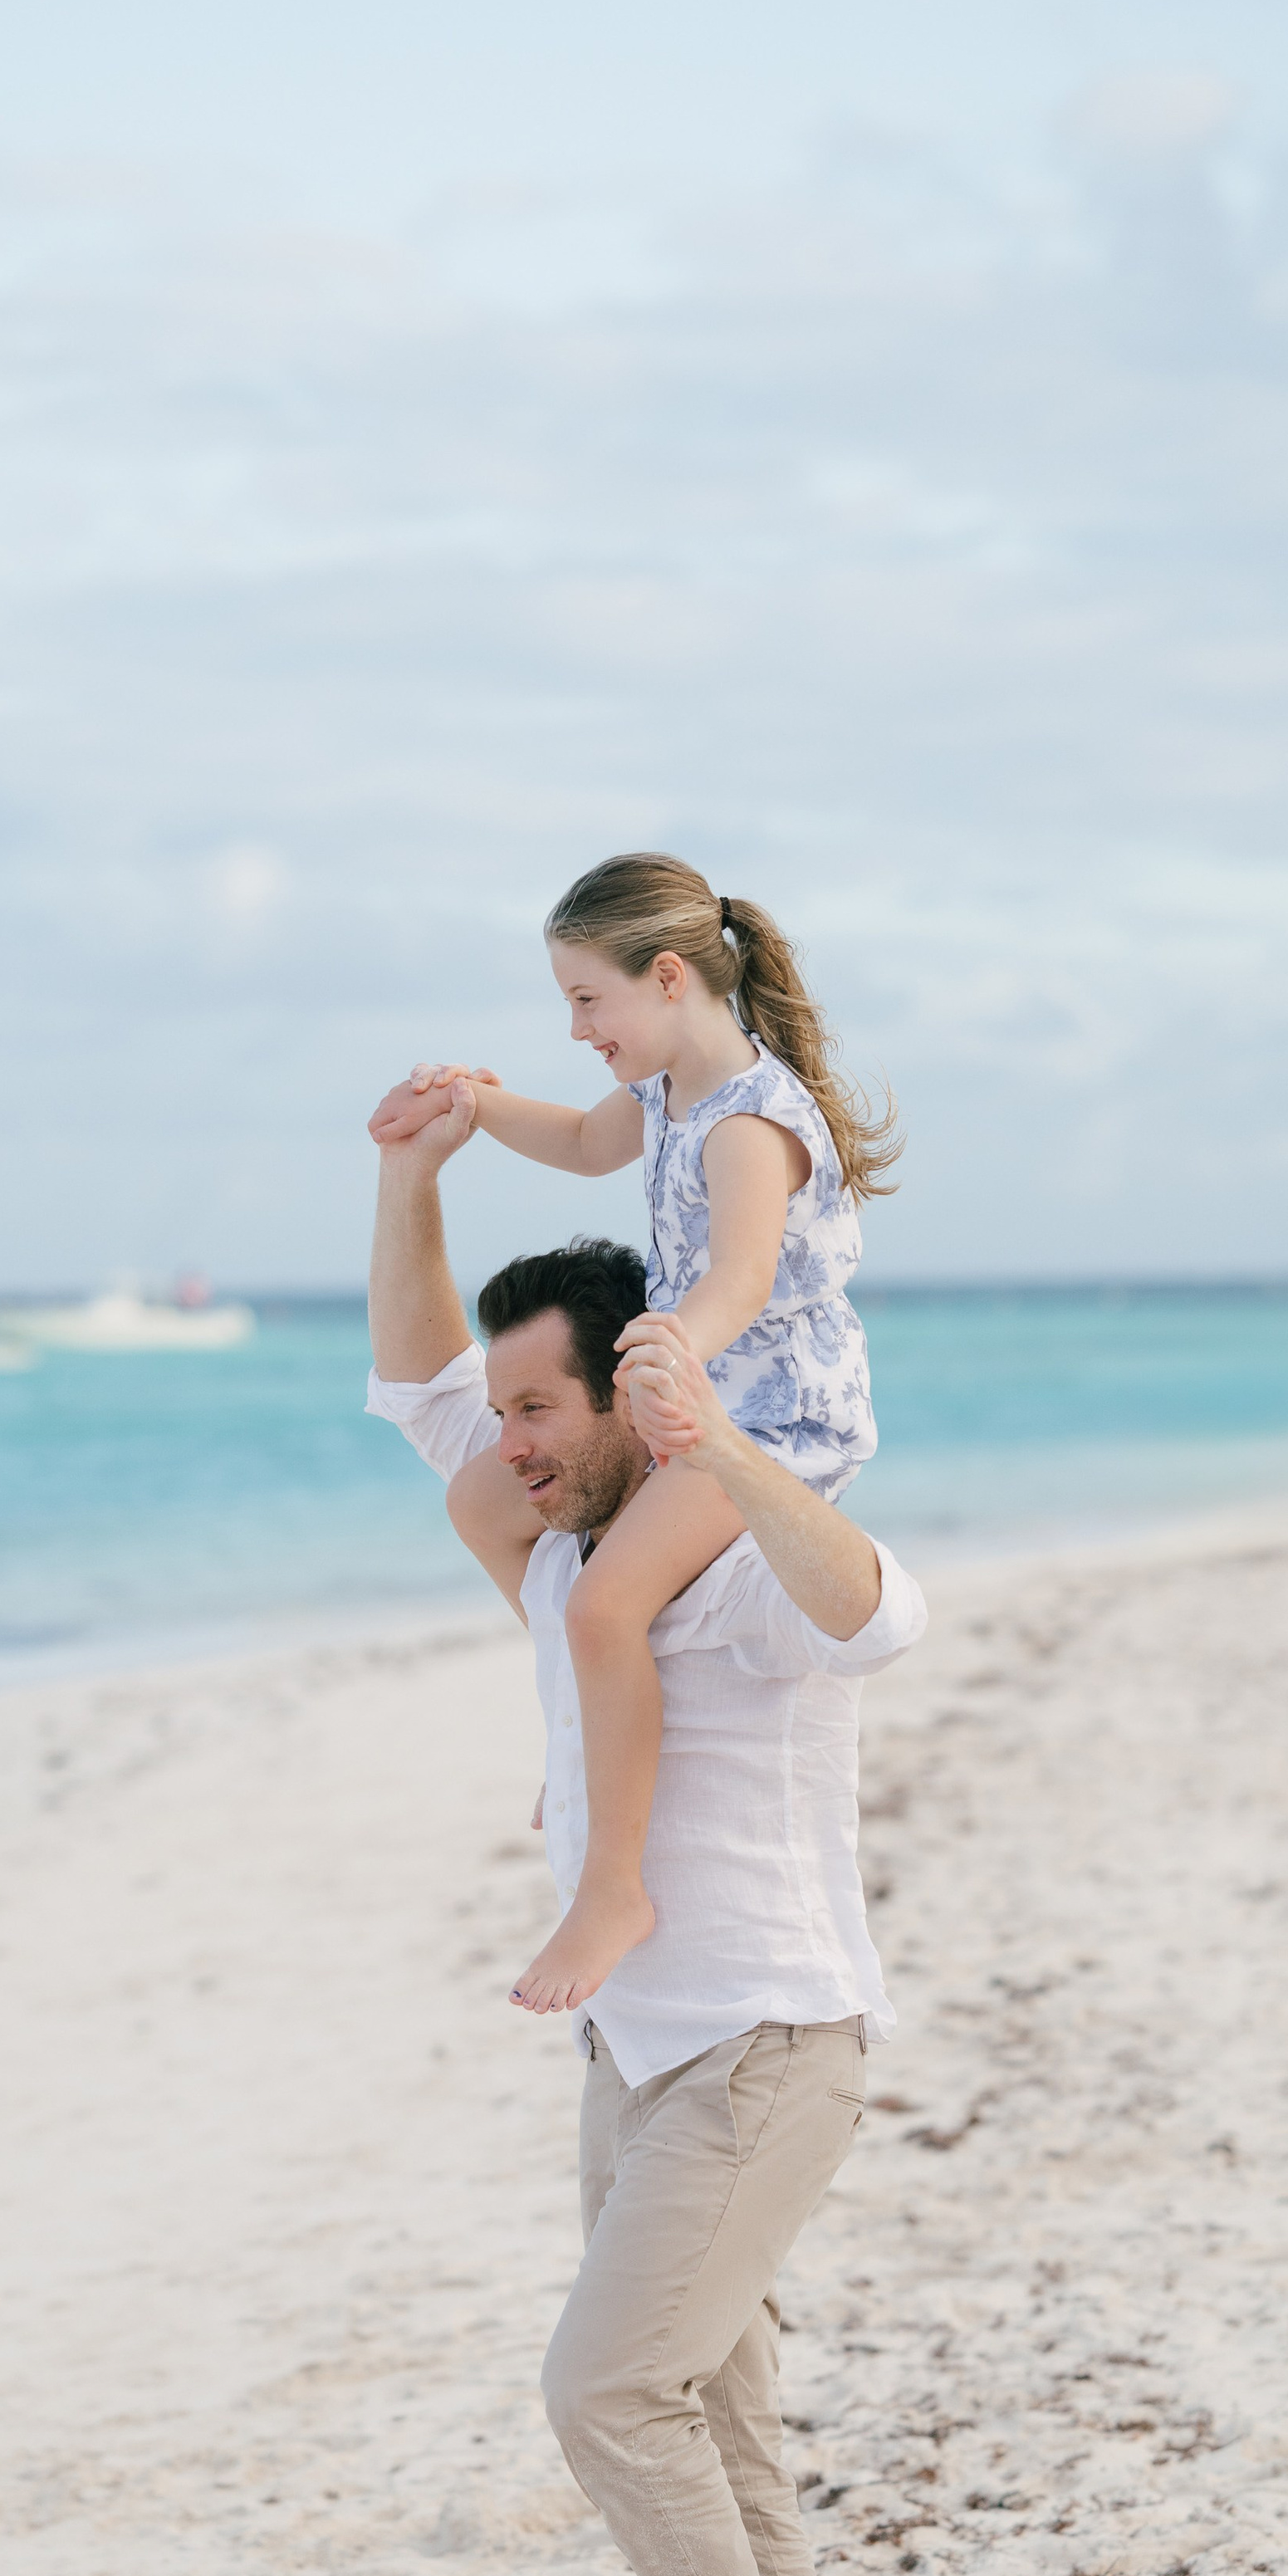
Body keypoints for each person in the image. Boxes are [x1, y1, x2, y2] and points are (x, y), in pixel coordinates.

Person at [364, 1070, 926, 2576]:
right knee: (720, 2426)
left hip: (769, 2045)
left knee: (604, 2393)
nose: (508, 1436)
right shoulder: (561, 1574)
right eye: (508, 1405)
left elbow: (880, 1609)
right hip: (639, 2059)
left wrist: (729, 1445)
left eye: (543, 1405)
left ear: (626, 1393)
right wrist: (410, 1185)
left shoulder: (720, 1580)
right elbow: (418, 1390)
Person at [370, 851, 897, 2022]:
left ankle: (614, 1885)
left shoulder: (752, 1122)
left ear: (667, 978)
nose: (576, 1028)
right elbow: (575, 1144)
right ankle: (590, 1730)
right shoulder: (665, 1094)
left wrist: (671, 1347)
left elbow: (745, 1276)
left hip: (771, 1422)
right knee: (483, 1502)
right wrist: (468, 1102)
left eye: (587, 1000)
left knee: (603, 1602)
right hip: (690, 1394)